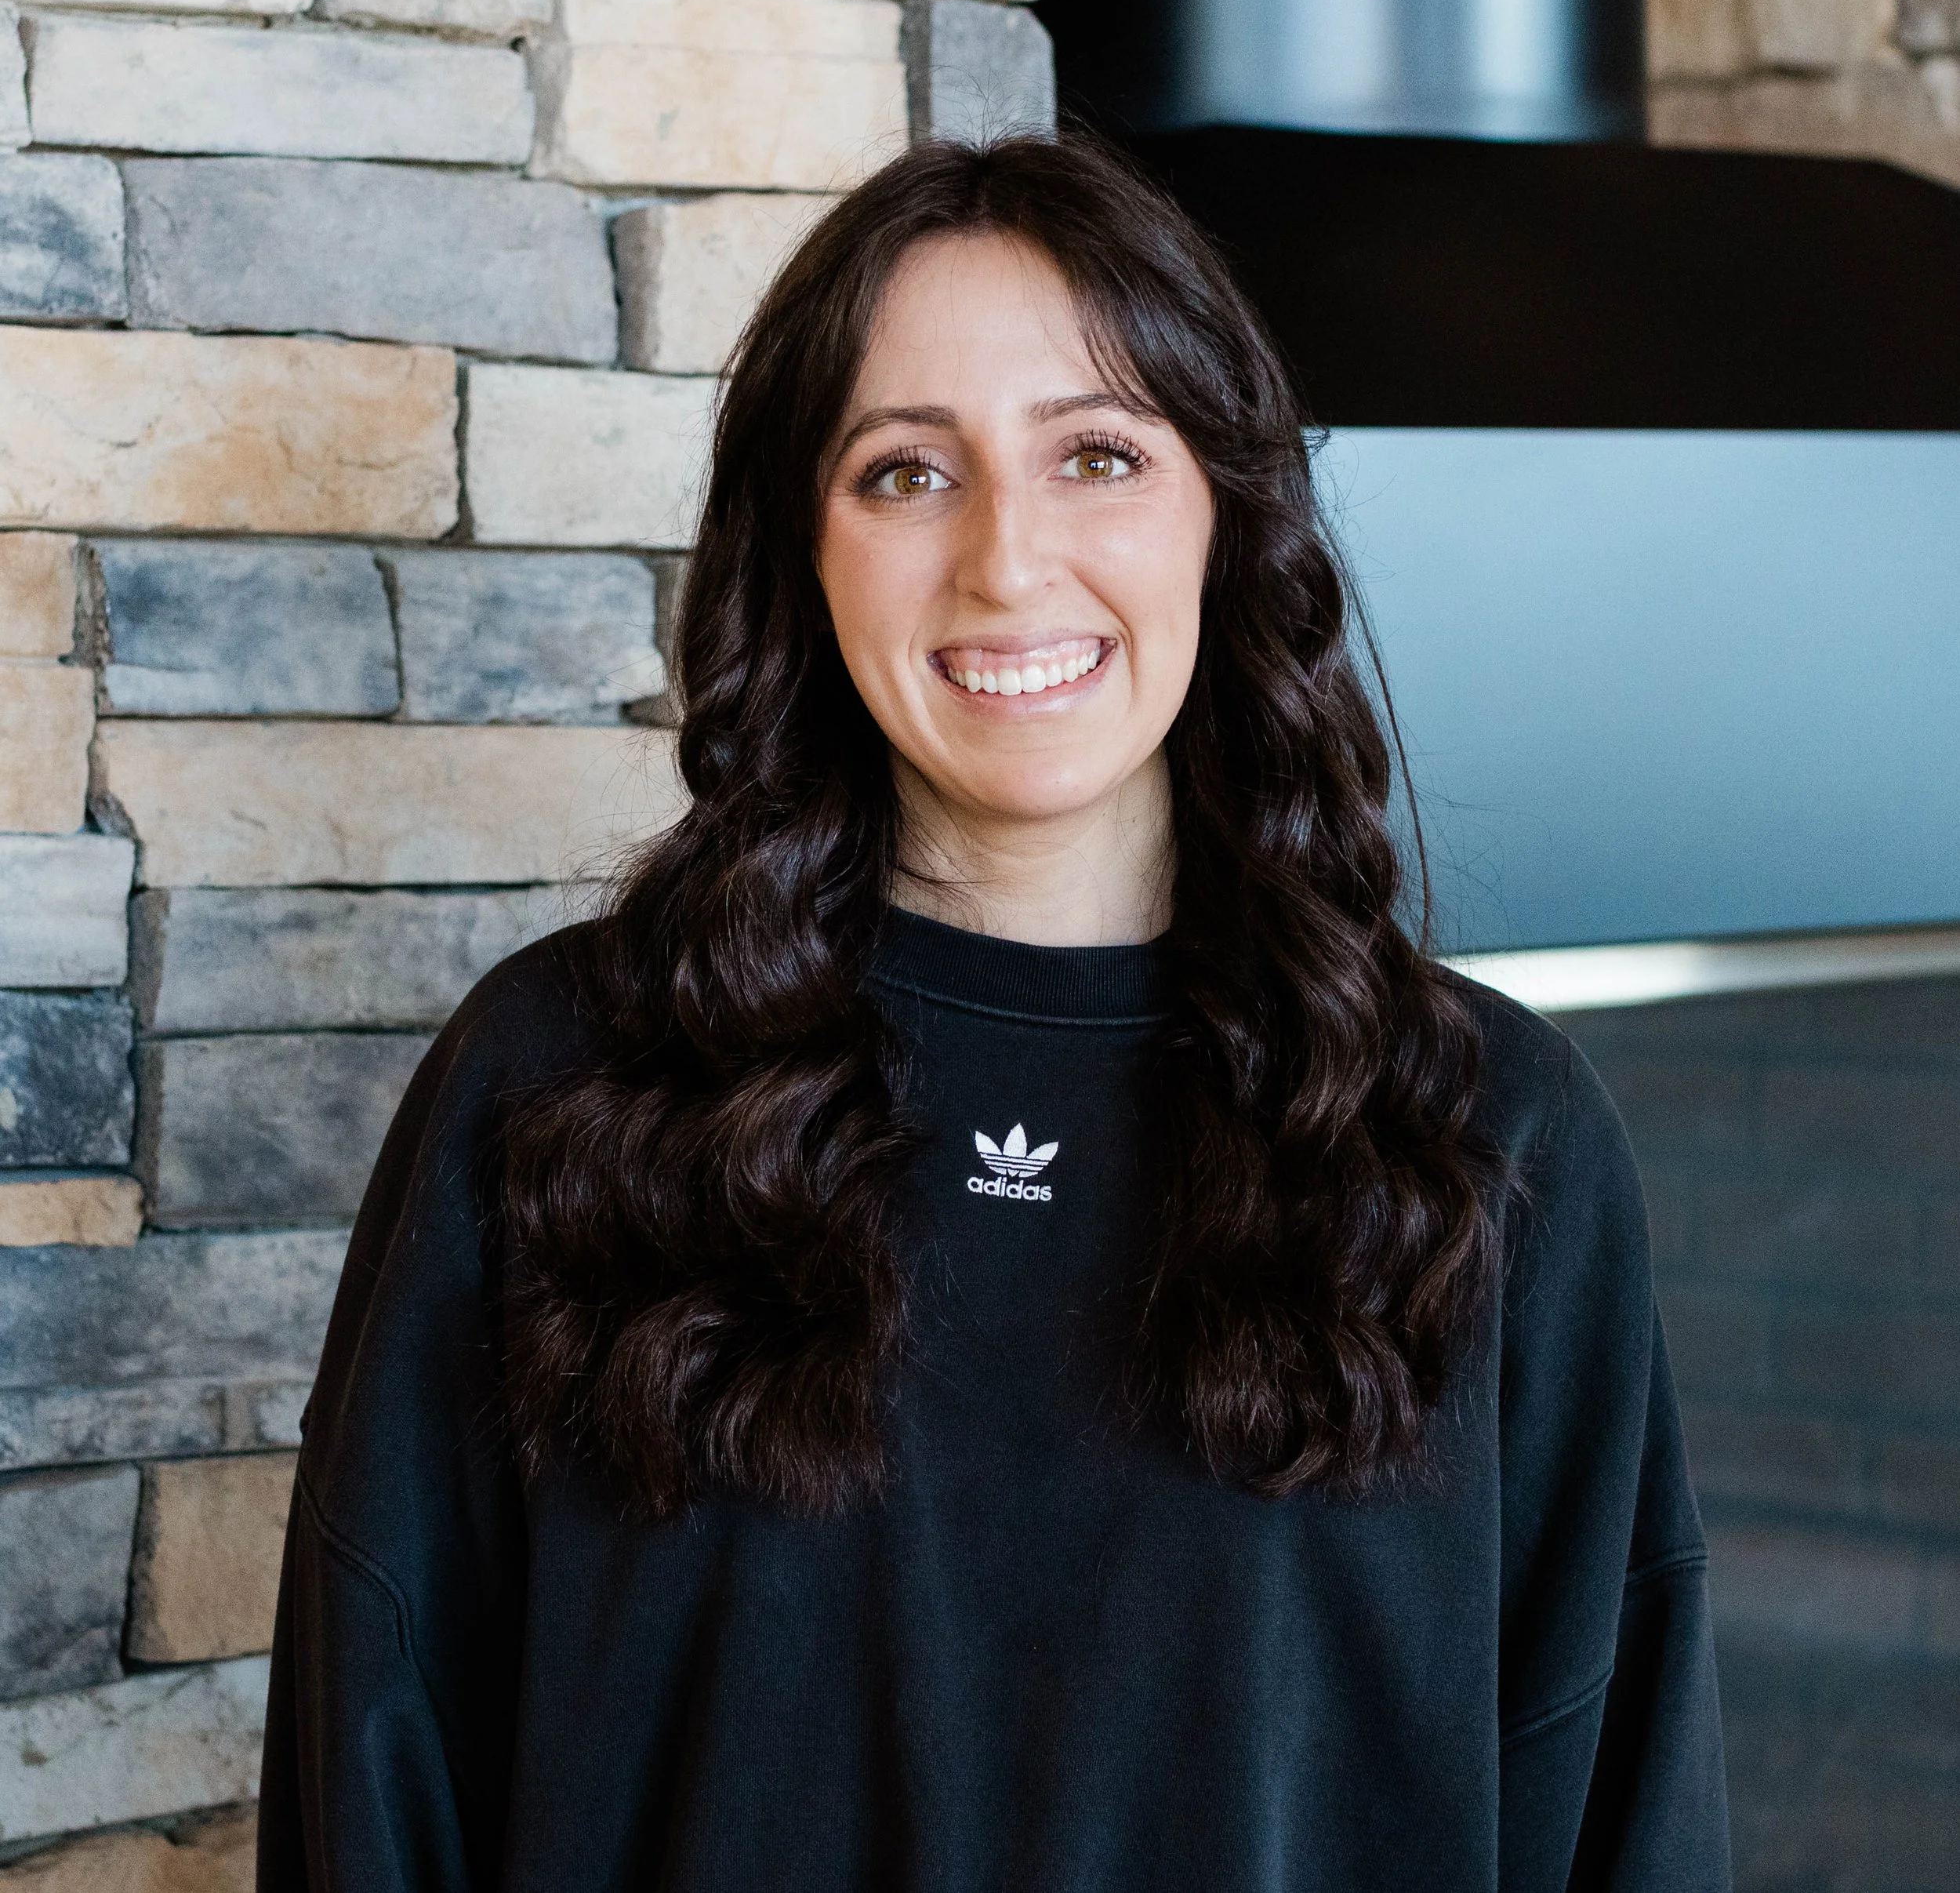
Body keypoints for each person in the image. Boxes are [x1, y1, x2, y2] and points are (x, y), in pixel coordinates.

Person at [258, 134, 1730, 1892]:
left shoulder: (1487, 1132)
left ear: (1224, 515)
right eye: (905, 473)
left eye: (1097, 454)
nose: (1007, 563)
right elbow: (371, 1790)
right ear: (802, 548)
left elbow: (1620, 1815)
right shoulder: (556, 1086)